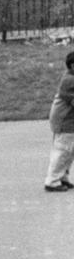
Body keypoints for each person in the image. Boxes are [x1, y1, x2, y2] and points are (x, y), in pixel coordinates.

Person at [43, 48, 74, 192]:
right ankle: (52, 181)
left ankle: (62, 177)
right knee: (62, 151)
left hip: (69, 122)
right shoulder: (69, 80)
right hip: (65, 122)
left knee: (69, 152)